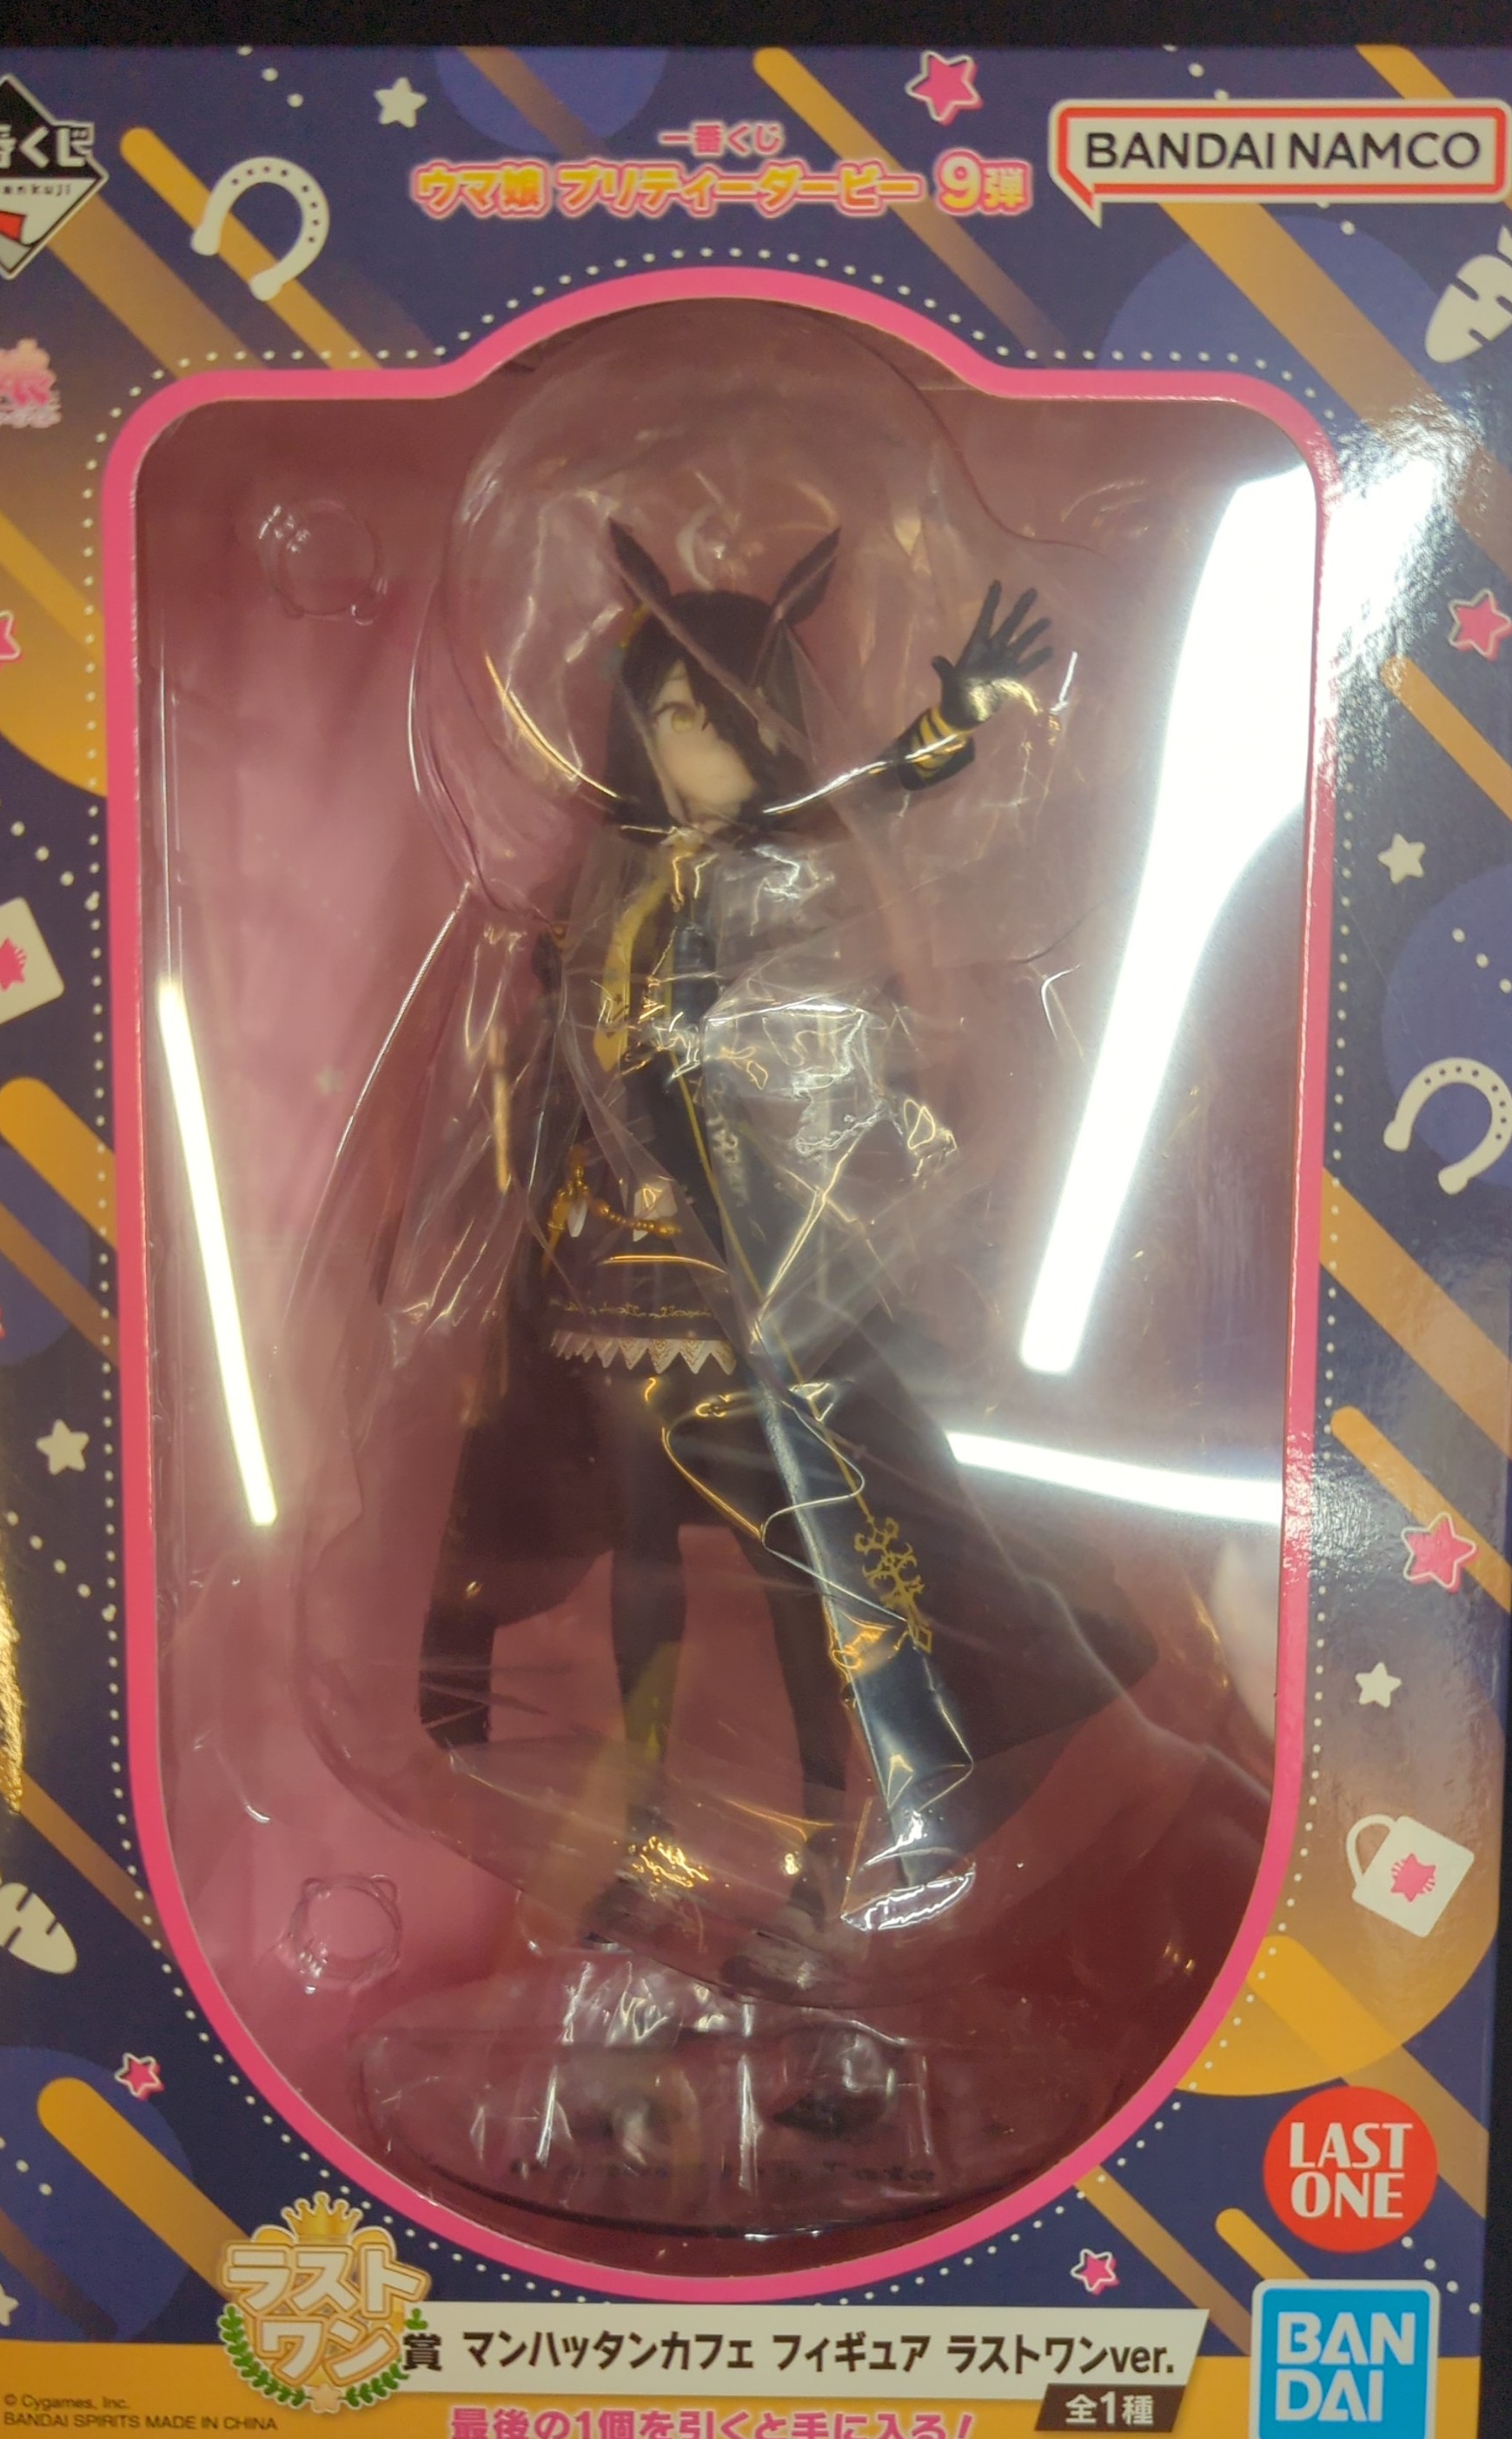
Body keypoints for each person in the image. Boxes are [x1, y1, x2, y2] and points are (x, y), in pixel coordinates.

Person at [416, 521, 1152, 1992]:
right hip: (619, 1275)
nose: (699, 748)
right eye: (673, 718)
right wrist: (482, 1204)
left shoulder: (783, 875)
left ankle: (828, 1848)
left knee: (810, 1563)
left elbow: (871, 806)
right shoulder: (608, 883)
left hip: (763, 1275)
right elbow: (552, 1071)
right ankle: (648, 1836)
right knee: (641, 1559)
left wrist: (949, 720)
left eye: (725, 720)